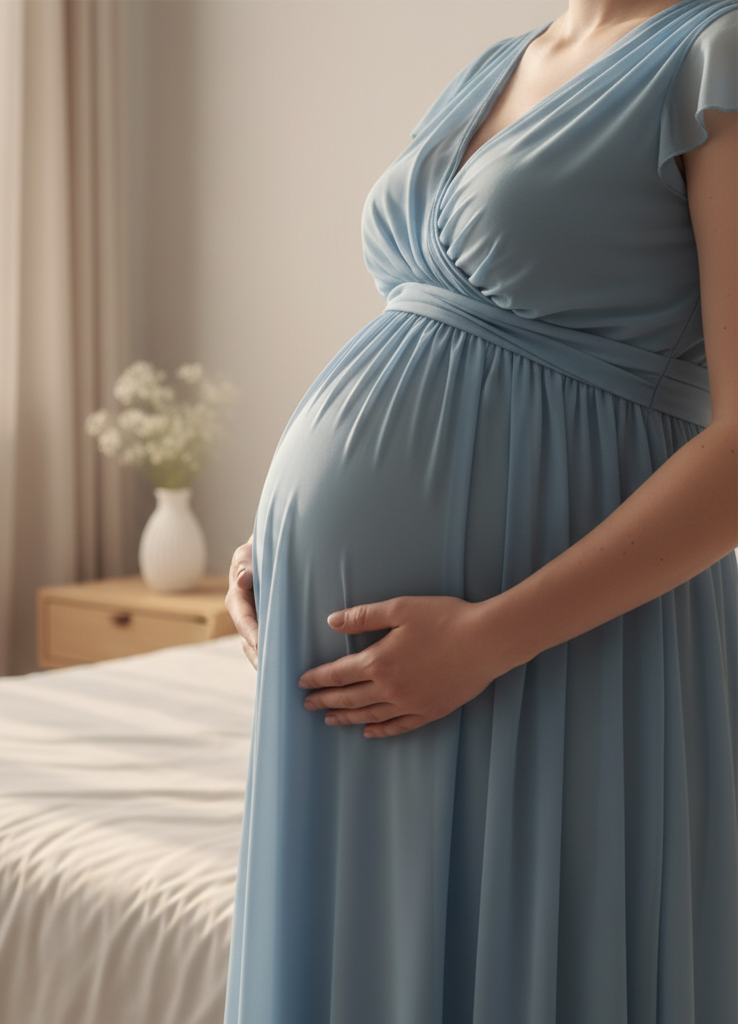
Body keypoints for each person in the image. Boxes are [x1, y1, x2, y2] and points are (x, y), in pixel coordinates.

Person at [222, 1, 737, 1021]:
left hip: (552, 652)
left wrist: (489, 639)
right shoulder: (502, 61)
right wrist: (277, 547)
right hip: (359, 675)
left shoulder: (711, 53)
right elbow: (425, 332)